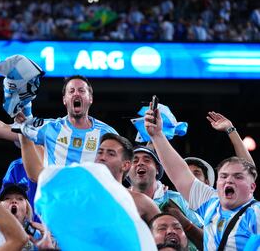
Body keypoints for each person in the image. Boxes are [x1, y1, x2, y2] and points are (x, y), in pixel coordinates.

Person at [144, 105, 260, 250]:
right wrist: (157, 135)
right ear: (217, 183)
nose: (229, 180)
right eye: (223, 176)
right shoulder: (211, 203)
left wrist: (231, 131)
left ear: (252, 186)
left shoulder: (255, 213)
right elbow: (179, 173)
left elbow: (248, 170)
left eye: (237, 177)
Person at [0, 75, 118, 165]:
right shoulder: (50, 128)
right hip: (56, 215)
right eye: (71, 91)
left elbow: (126, 165)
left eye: (81, 90)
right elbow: (1, 129)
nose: (76, 94)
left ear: (90, 98)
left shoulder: (107, 134)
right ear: (65, 100)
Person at [19, 132, 160, 224]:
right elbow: (37, 174)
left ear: (125, 165)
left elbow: (162, 236)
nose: (102, 157)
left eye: (111, 154)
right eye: (100, 152)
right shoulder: (77, 193)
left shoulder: (142, 203)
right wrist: (23, 133)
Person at [128, 146, 203, 250]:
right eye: (134, 161)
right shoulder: (119, 202)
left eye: (146, 160)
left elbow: (210, 239)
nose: (140, 163)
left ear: (158, 169)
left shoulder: (178, 199)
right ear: (126, 170)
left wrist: (185, 223)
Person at [0, 183, 55, 250]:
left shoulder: (37, 236)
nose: (14, 201)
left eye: (20, 198)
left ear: (27, 210)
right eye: (7, 198)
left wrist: (48, 249)